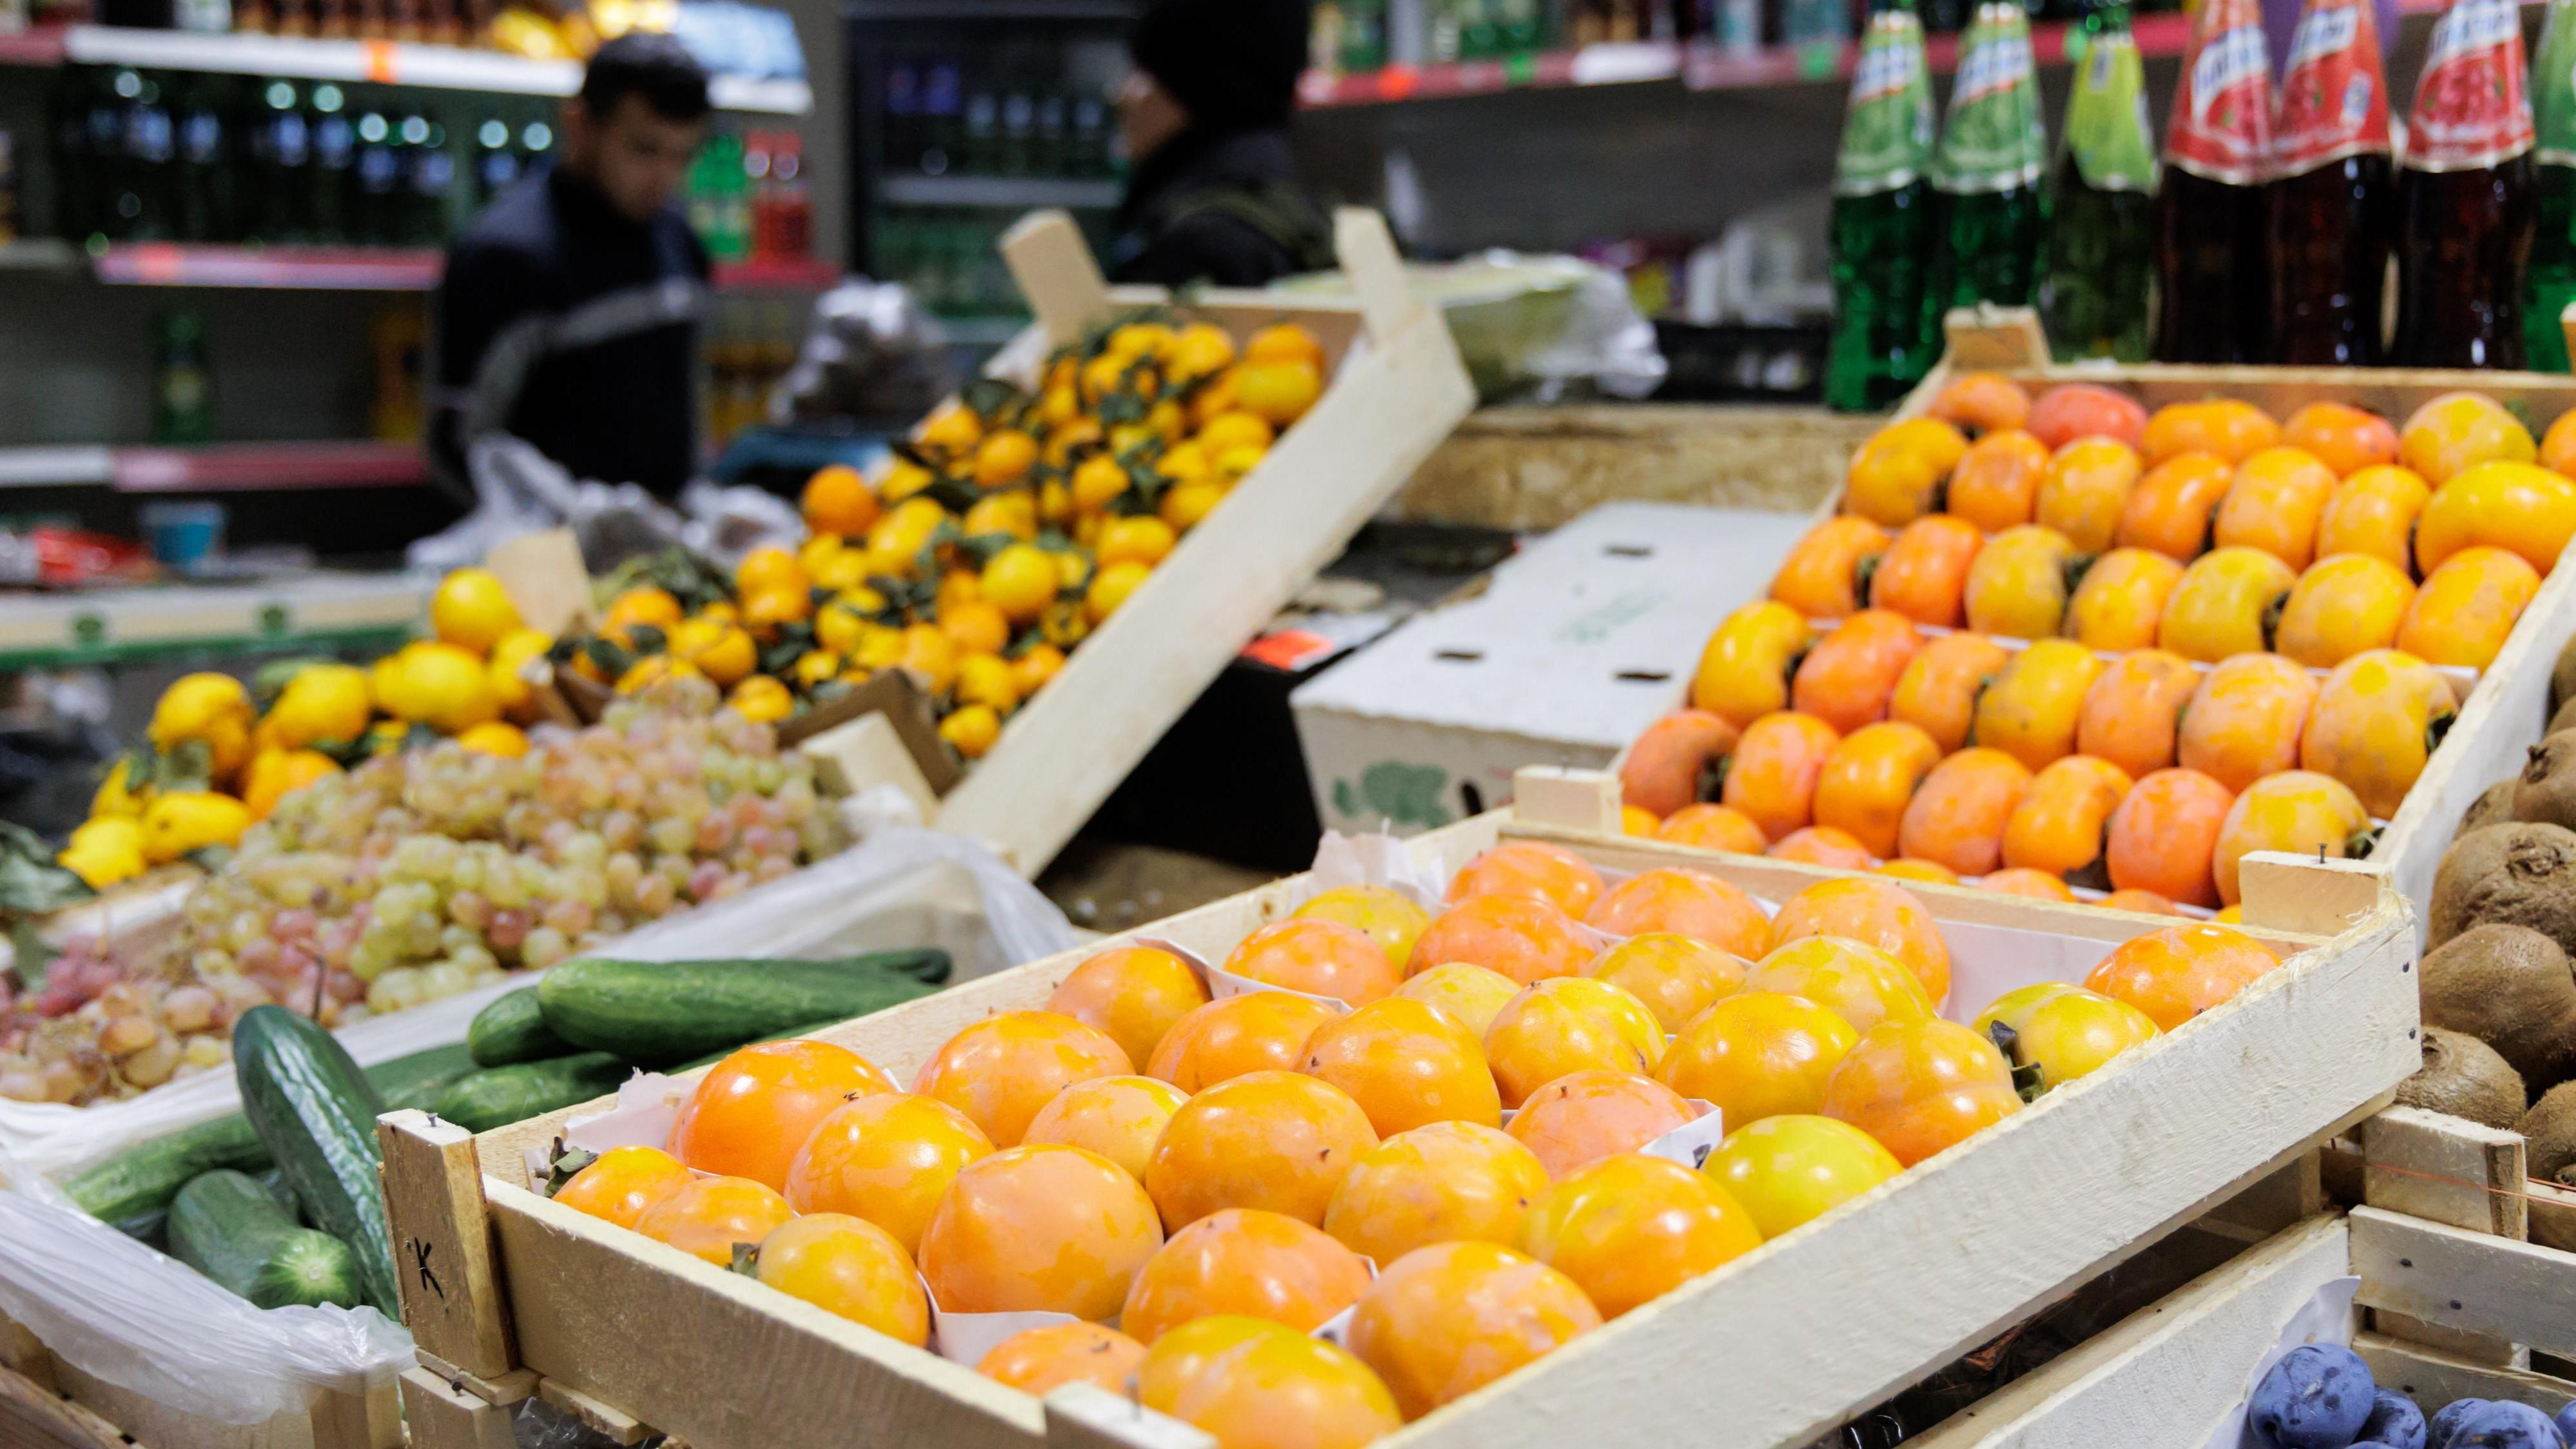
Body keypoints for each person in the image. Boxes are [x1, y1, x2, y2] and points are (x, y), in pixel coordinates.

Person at [431, 34, 713, 499]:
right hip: (540, 559)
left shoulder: (681, 242)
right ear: (580, 126)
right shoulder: (505, 255)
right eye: (644, 150)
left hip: (664, 554)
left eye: (681, 155)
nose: (665, 177)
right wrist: (553, 523)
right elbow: (457, 443)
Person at [1108, 0, 1334, 288]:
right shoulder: (1278, 199)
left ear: (1202, 87)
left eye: (1143, 72)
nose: (1119, 95)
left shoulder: (1204, 246)